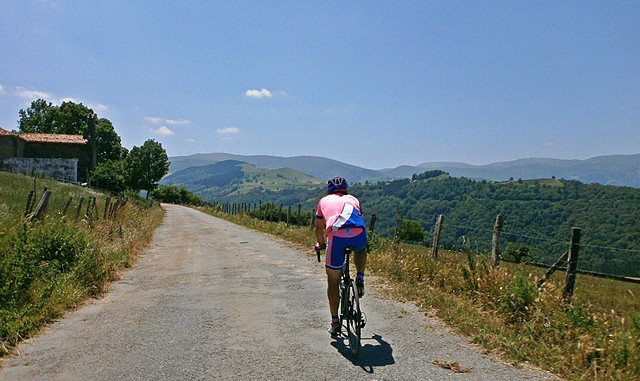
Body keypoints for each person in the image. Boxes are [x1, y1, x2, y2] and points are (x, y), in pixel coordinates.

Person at [315, 176, 367, 335]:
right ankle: (360, 277)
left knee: (333, 280)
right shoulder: (353, 199)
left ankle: (335, 321)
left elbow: (318, 228)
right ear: (345, 189)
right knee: (361, 248)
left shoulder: (323, 201)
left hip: (336, 237)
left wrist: (321, 244)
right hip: (358, 233)